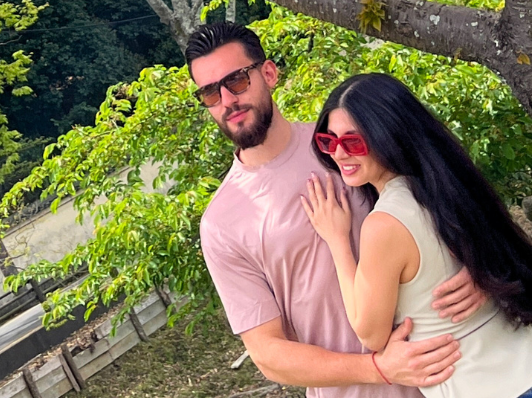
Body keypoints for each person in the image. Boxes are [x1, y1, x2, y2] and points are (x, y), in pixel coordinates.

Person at [188, 21, 484, 396]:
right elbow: (267, 354)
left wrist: (485, 272)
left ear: (269, 73)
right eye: (211, 93)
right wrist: (379, 368)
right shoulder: (222, 222)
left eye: (237, 81)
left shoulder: (341, 141)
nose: (227, 100)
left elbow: (446, 194)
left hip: (460, 373)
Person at [302, 71, 532, 398]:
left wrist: (338, 241)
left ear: (388, 136)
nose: (338, 154)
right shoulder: (447, 187)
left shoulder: (384, 224)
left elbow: (370, 334)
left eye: (353, 141)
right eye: (329, 141)